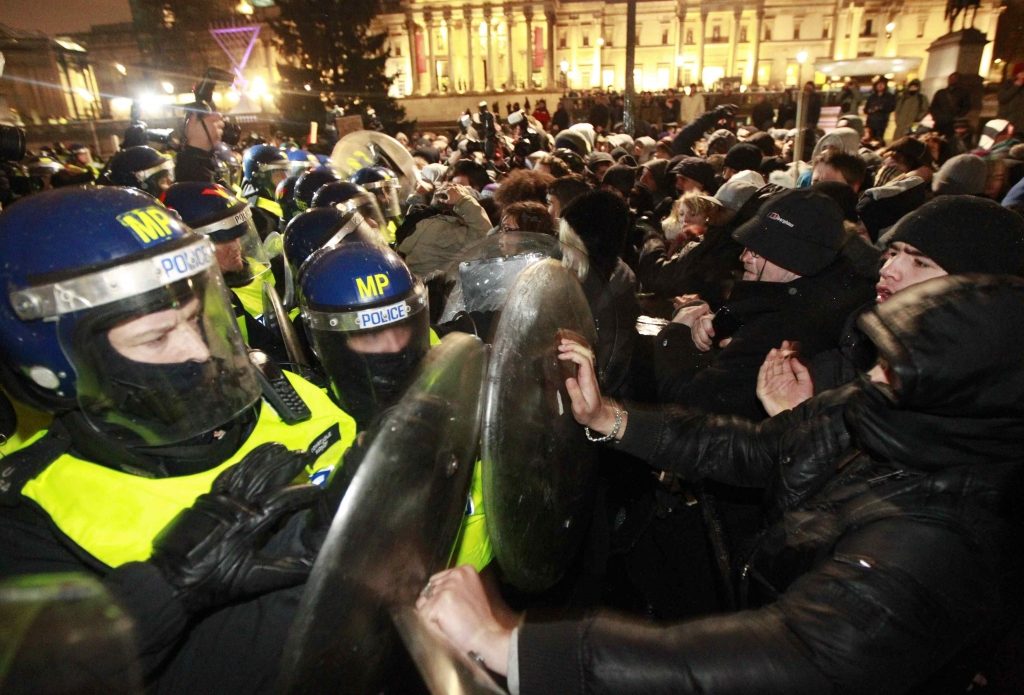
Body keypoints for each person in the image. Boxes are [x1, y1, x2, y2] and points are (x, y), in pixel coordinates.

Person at [418, 272, 1024, 694]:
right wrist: (610, 417)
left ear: (967, 397)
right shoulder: (889, 410)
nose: (872, 372)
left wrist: (509, 646)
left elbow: (787, 658)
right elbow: (751, 448)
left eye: (897, 366)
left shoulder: (943, 541)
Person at [0, 186, 356, 691]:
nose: (198, 350)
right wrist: (165, 588)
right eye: (156, 337)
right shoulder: (28, 519)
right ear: (55, 366)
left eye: (196, 318)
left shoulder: (287, 393)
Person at [929, 72, 972, 140]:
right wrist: (937, 117)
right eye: (951, 78)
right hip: (940, 122)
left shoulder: (963, 93)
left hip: (953, 122)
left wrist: (957, 116)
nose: (952, 80)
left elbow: (966, 107)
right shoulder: (940, 93)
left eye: (954, 78)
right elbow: (933, 106)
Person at [864, 77, 896, 143]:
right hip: (871, 121)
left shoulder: (889, 96)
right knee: (870, 139)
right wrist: (870, 110)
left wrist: (881, 108)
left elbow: (892, 107)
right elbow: (866, 109)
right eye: (878, 84)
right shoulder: (872, 97)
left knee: (879, 139)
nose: (880, 86)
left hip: (882, 121)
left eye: (882, 84)